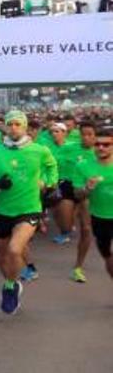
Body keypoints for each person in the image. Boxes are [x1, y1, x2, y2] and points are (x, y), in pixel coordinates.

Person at [0, 109, 58, 315]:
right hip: (3, 210)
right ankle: (12, 283)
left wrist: (48, 182)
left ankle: (8, 287)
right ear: (5, 126)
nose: (13, 128)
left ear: (24, 127)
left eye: (18, 124)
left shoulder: (39, 150)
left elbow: (52, 167)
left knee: (15, 249)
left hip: (29, 209)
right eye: (10, 124)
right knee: (2, 254)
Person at [78, 127, 113, 287]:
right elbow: (78, 194)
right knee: (107, 256)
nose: (101, 148)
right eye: (98, 144)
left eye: (106, 145)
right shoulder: (83, 166)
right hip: (100, 218)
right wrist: (87, 188)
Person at [65, 122, 99, 281]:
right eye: (83, 134)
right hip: (79, 191)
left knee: (90, 231)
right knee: (81, 228)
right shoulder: (70, 148)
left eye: (90, 134)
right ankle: (77, 267)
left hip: (101, 195)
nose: (86, 138)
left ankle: (78, 267)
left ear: (96, 136)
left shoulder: (103, 150)